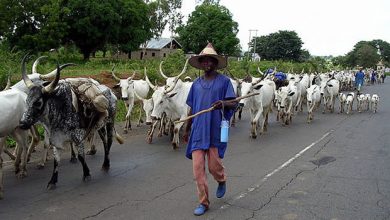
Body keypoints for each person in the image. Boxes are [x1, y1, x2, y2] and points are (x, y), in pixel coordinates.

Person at [183, 43, 237, 216]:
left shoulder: (224, 82)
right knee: (198, 170)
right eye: (203, 61)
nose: (206, 64)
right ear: (200, 64)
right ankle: (203, 202)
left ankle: (221, 180)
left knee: (214, 167)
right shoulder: (196, 84)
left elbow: (234, 102)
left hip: (214, 129)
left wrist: (223, 103)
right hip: (198, 130)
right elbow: (192, 108)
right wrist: (187, 128)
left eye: (209, 61)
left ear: (215, 63)